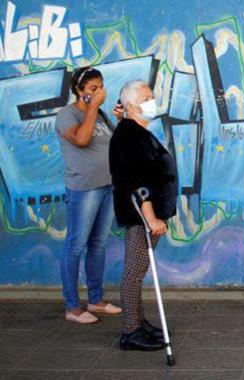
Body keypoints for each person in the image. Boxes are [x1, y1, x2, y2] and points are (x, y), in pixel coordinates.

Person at [109, 80, 177, 351]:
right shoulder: (129, 135)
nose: (152, 100)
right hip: (141, 217)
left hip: (147, 216)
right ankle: (130, 331)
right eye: (147, 97)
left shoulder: (135, 131)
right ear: (132, 104)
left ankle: (138, 321)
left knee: (138, 270)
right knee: (134, 273)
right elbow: (138, 183)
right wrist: (151, 219)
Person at [55, 66, 123, 324]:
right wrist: (93, 107)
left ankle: (95, 300)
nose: (98, 92)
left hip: (107, 186)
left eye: (100, 87)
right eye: (92, 89)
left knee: (98, 244)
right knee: (75, 246)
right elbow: (82, 140)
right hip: (84, 189)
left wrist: (119, 121)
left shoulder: (102, 115)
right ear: (78, 90)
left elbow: (114, 144)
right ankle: (72, 307)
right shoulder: (67, 115)